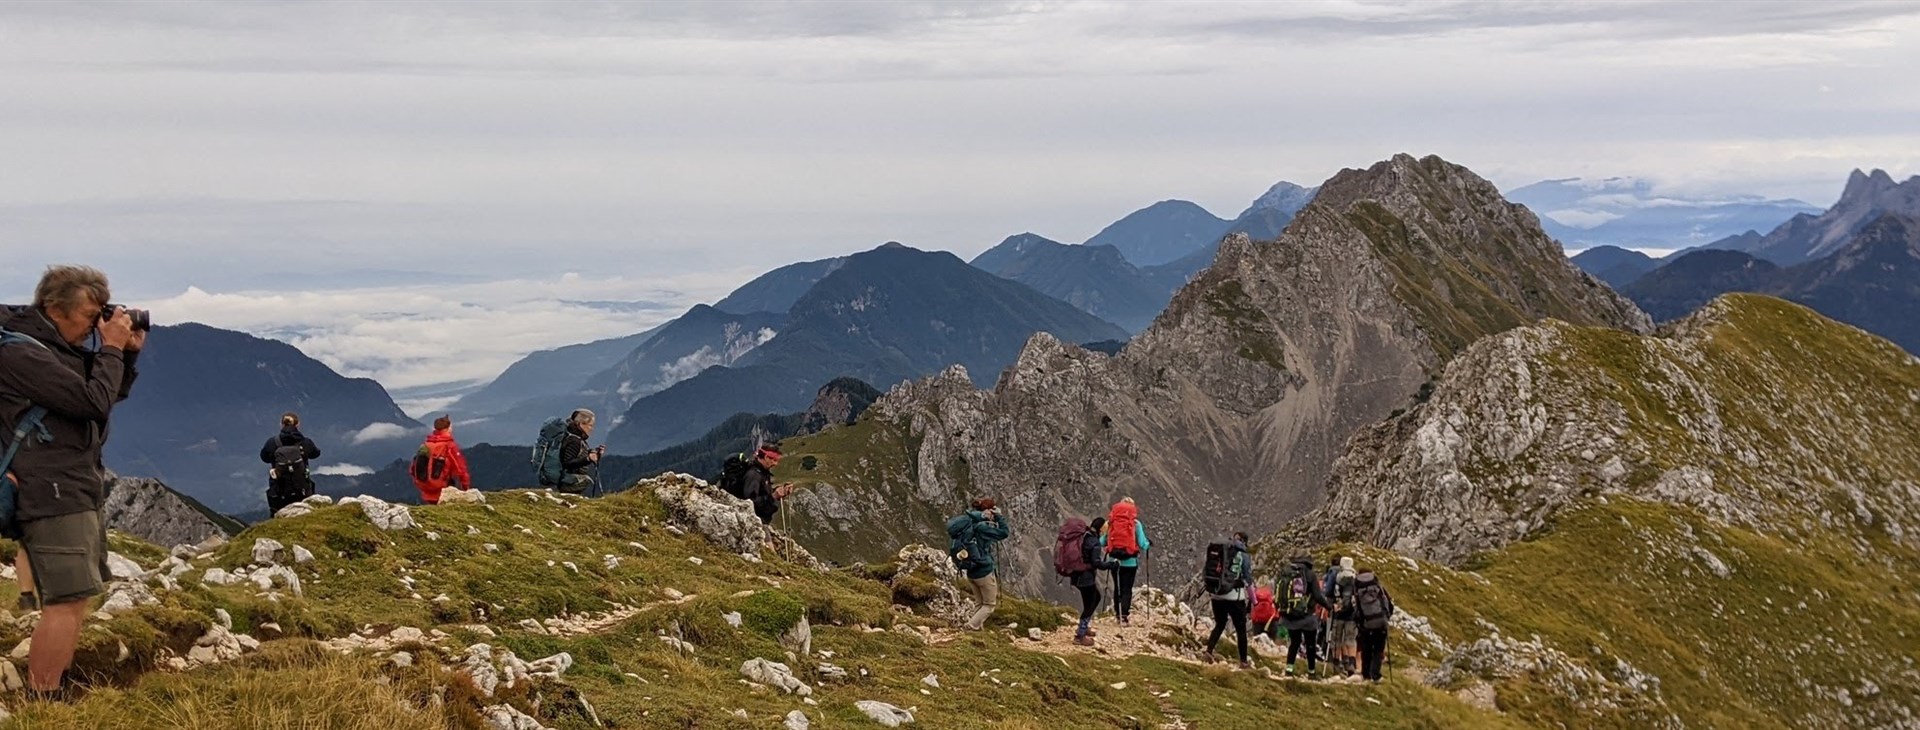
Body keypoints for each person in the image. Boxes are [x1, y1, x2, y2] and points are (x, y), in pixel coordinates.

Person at [0, 265, 143, 697]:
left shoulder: (54, 347)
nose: (93, 325)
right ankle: (44, 700)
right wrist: (112, 349)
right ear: (54, 307)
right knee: (64, 602)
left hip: (73, 484)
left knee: (75, 599)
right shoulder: (21, 354)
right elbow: (91, 401)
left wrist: (126, 355)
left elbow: (106, 390)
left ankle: (52, 689)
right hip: (51, 490)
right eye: (88, 314)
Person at [947, 497, 1010, 631]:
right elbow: (1004, 533)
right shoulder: (982, 528)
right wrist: (999, 517)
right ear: (988, 511)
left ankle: (977, 629)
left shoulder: (968, 523)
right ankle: (970, 627)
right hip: (983, 571)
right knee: (989, 605)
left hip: (971, 571)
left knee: (979, 603)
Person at [1203, 531, 1255, 669]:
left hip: (1216, 593)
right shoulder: (1243, 554)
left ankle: (1208, 651)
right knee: (1240, 628)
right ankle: (1243, 661)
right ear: (1245, 542)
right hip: (1234, 596)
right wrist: (1254, 600)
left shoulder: (1221, 549)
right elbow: (1247, 579)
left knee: (1220, 624)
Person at [1278, 556, 1334, 678]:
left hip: (1290, 614)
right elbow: (1318, 596)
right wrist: (1329, 607)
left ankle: (1289, 669)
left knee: (1294, 643)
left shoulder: (1288, 572)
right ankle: (1311, 672)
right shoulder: (1310, 574)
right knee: (1310, 644)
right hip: (1307, 616)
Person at [1100, 497, 1151, 626]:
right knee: (1127, 589)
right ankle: (1124, 617)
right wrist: (1148, 543)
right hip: (1130, 562)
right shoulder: (1135, 524)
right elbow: (1143, 544)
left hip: (1114, 561)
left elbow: (1102, 542)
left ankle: (1118, 616)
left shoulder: (1111, 522)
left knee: (1117, 588)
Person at [1069, 516, 1117, 646]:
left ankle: (1084, 627)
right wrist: (1110, 565)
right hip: (1086, 578)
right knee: (1091, 602)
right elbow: (1096, 563)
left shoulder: (1085, 536)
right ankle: (1080, 635)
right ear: (1101, 528)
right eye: (1105, 526)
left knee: (1093, 599)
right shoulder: (1094, 542)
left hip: (1077, 575)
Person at [260, 412, 321, 514]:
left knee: (278, 515)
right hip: (303, 489)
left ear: (281, 424)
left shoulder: (271, 442)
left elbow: (264, 458)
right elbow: (316, 454)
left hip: (279, 490)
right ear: (298, 425)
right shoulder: (305, 442)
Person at [410, 416, 473, 505]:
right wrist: (466, 488)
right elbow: (461, 469)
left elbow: (413, 468)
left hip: (425, 488)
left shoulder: (426, 445)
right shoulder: (449, 446)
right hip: (442, 488)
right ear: (448, 428)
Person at [1353, 567, 1396, 682]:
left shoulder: (1357, 587)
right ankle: (1376, 675)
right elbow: (1388, 603)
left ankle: (1366, 675)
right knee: (1378, 649)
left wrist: (1359, 621)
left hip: (1366, 623)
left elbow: (1356, 608)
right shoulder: (1377, 585)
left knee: (1366, 648)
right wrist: (1386, 617)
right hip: (1381, 621)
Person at [738, 444, 794, 525]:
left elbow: (764, 492)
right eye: (774, 460)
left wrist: (780, 490)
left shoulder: (762, 472)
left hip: (760, 521)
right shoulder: (754, 475)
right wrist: (773, 496)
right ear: (767, 457)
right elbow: (750, 503)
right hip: (753, 522)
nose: (776, 464)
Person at [554, 408, 603, 495]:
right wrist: (587, 459)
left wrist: (595, 454)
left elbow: (578, 455)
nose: (592, 429)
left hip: (568, 479)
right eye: (590, 425)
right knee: (588, 481)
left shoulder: (575, 437)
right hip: (569, 480)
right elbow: (567, 463)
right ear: (581, 424)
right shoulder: (574, 440)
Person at [1328, 556, 1360, 676]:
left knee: (1336, 639)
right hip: (1351, 614)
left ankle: (1336, 663)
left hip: (1338, 612)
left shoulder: (1335, 575)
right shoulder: (1355, 576)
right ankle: (1351, 663)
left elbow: (1328, 592)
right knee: (1350, 639)